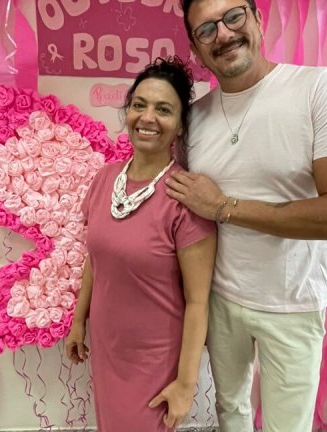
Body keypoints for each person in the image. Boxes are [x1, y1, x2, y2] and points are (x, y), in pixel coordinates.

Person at [165, 0, 327, 432]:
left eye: (233, 17)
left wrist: (225, 207)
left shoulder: (317, 88)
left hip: (293, 305)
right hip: (220, 300)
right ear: (196, 47)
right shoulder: (195, 118)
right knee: (230, 412)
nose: (224, 34)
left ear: (257, 18)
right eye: (207, 29)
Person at [65, 57, 217, 432]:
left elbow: (198, 301)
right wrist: (78, 321)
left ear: (180, 125)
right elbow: (96, 259)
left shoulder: (185, 197)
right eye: (139, 105)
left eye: (163, 109)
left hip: (154, 359)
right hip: (108, 344)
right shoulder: (105, 180)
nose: (147, 117)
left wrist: (185, 385)